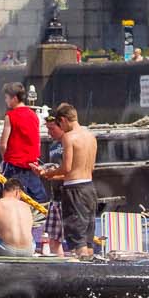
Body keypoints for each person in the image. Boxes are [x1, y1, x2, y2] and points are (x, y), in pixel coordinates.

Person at [41, 104, 99, 258]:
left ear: (64, 120)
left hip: (75, 191)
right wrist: (52, 175)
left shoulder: (69, 137)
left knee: (77, 238)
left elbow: (66, 168)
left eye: (59, 124)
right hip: (90, 188)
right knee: (87, 239)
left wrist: (48, 173)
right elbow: (90, 167)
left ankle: (82, 274)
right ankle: (91, 273)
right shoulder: (91, 136)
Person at [0, 83, 48, 205]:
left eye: (7, 98)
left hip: (14, 165)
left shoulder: (10, 116)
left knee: (12, 201)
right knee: (39, 200)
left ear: (14, 98)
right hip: (32, 165)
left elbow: (3, 144)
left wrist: (5, 160)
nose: (6, 101)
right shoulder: (34, 115)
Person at [0, 177, 35, 256]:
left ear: (4, 191)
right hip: (29, 250)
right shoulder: (26, 206)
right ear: (18, 192)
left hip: (6, 249)